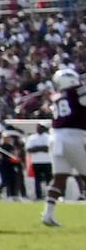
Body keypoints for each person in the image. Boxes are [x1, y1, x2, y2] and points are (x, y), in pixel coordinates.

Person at [48, 63, 81, 228]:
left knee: (59, 177)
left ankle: (48, 214)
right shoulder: (77, 93)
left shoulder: (56, 97)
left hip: (56, 136)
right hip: (75, 135)